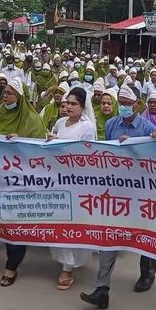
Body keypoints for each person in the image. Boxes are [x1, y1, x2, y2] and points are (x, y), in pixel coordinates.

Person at [80, 83, 156, 309]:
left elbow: (154, 161)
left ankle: (147, 273)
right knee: (109, 234)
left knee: (144, 235)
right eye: (122, 103)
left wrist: (141, 144)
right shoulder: (111, 124)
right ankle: (102, 288)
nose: (124, 107)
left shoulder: (148, 128)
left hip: (141, 191)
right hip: (116, 190)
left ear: (137, 104)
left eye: (128, 104)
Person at [0, 77, 45, 287]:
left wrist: (19, 139)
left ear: (19, 97)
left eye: (10, 93)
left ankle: (11, 266)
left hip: (20, 179)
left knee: (14, 221)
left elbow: (38, 149)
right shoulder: (0, 113)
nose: (5, 96)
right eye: (4, 92)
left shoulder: (32, 119)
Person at [46, 87, 96, 290]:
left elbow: (86, 154)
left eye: (74, 104)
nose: (68, 107)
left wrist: (58, 142)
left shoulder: (87, 127)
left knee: (71, 222)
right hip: (56, 177)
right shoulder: (59, 123)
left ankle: (68, 267)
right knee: (58, 219)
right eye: (67, 103)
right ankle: (62, 259)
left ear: (83, 107)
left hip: (76, 180)